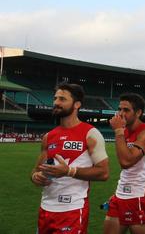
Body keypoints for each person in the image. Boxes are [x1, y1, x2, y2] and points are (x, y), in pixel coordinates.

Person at [32, 83, 109, 234]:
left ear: (77, 105)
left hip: (72, 210)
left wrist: (69, 171)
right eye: (55, 98)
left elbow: (104, 173)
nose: (56, 102)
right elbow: (35, 171)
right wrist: (36, 177)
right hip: (45, 209)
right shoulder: (48, 136)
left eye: (62, 99)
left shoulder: (91, 134)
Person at [104, 93, 145, 234]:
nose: (121, 114)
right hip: (120, 194)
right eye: (120, 109)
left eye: (126, 110)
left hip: (138, 195)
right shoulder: (125, 132)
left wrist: (118, 131)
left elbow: (126, 162)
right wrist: (120, 190)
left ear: (138, 112)